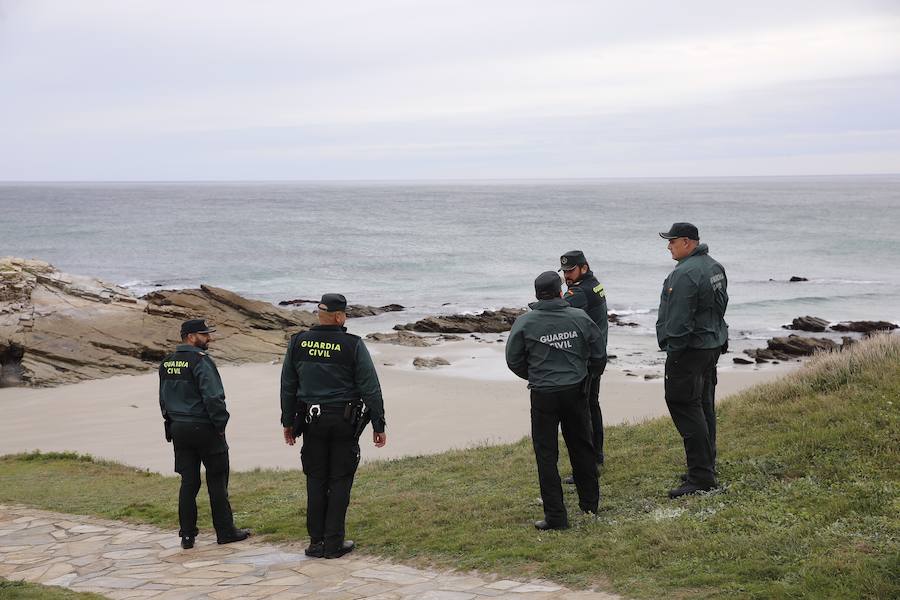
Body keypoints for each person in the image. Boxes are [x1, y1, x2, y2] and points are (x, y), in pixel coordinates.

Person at [280, 293, 387, 559]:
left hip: (310, 420)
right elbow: (370, 387)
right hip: (343, 421)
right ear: (340, 317)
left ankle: (316, 542)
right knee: (339, 480)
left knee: (315, 480)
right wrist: (378, 423)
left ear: (320, 314)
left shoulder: (298, 342)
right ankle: (334, 543)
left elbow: (288, 386)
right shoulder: (352, 345)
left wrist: (287, 422)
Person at [505, 271, 606, 530]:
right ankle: (590, 505)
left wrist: (535, 374)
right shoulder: (579, 317)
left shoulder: (525, 322)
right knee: (582, 446)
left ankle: (557, 517)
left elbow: (513, 360)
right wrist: (586, 374)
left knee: (546, 454)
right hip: (575, 390)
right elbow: (598, 352)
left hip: (543, 394)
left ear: (538, 295)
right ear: (561, 292)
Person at [159, 319, 251, 549]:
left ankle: (187, 536)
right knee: (217, 480)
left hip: (179, 427)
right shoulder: (200, 361)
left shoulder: (167, 362)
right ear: (191, 337)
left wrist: (171, 423)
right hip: (204, 427)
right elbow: (213, 397)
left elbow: (163, 398)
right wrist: (220, 424)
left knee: (188, 482)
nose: (209, 338)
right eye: (204, 334)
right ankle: (225, 531)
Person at [656, 223, 729, 498]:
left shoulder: (685, 274)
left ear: (687, 242)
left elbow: (678, 319)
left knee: (685, 405)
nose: (668, 246)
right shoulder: (714, 267)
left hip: (689, 350)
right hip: (710, 344)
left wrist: (674, 349)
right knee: (703, 404)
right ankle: (705, 466)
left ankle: (701, 476)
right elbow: (720, 306)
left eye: (672, 241)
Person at [559, 250, 609, 470]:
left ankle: (589, 462)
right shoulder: (594, 284)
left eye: (570, 271)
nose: (566, 276)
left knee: (583, 410)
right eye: (564, 272)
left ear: (584, 268)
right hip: (595, 354)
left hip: (585, 358)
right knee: (591, 405)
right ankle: (596, 456)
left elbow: (556, 309)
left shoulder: (580, 291)